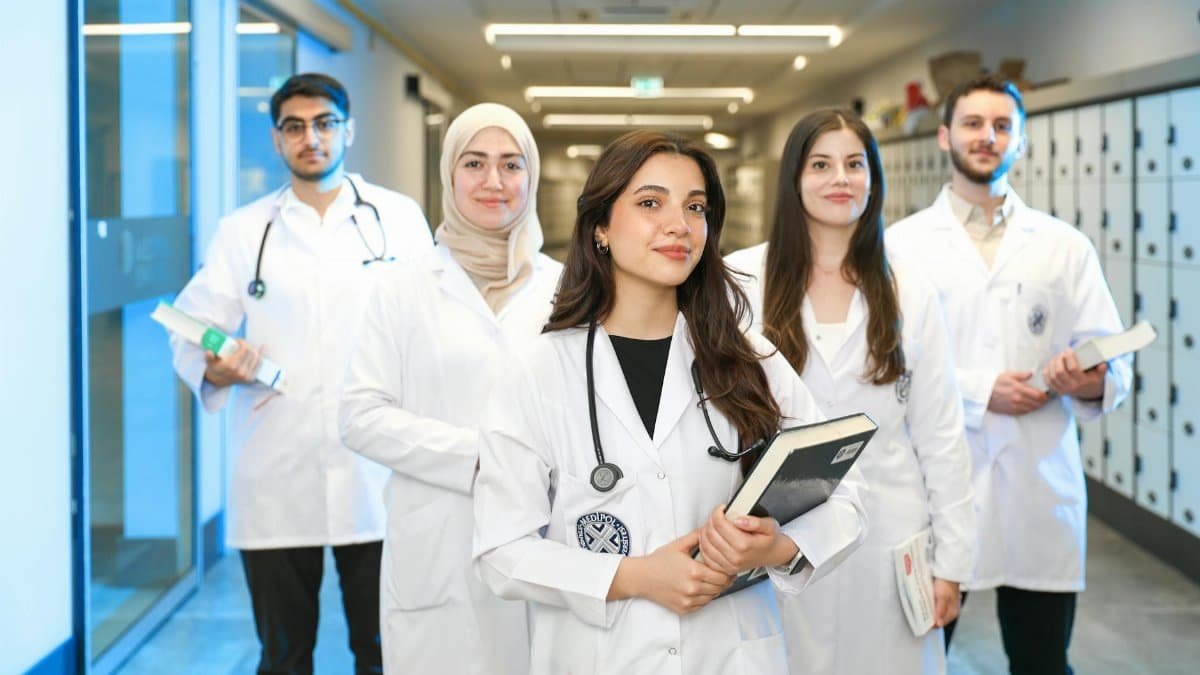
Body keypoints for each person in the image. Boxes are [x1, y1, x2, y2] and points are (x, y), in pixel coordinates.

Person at [471, 130, 868, 675]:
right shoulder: (538, 370)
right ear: (601, 228)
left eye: (696, 207)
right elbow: (501, 548)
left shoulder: (751, 361)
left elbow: (847, 493)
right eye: (651, 203)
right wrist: (635, 576)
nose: (679, 224)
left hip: (730, 654)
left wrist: (772, 549)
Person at [167, 73, 432, 674]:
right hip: (276, 466)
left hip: (380, 473)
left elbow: (433, 328)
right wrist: (222, 366)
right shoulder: (243, 232)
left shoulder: (397, 218)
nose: (310, 137)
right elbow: (192, 329)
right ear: (277, 138)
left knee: (388, 648)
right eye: (295, 126)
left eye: (324, 123)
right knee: (284, 655)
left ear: (348, 130)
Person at [886, 74, 1132, 674]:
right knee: (919, 656)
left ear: (1020, 141)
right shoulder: (901, 245)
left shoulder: (1063, 246)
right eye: (973, 124)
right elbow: (884, 365)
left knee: (1043, 660)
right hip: (940, 486)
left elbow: (1110, 359)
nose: (987, 137)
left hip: (1037, 483)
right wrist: (978, 389)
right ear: (945, 136)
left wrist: (1089, 378)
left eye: (1002, 127)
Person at [726, 108, 976, 675]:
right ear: (794, 179)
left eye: (854, 164)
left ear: (873, 178)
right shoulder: (740, 280)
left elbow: (941, 435)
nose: (840, 178)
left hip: (890, 537)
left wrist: (952, 563)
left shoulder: (909, 287)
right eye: (821, 164)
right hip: (778, 539)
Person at [339, 103, 561, 674]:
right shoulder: (403, 288)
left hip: (550, 537)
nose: (494, 182)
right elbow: (360, 415)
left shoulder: (570, 287)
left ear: (530, 176)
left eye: (511, 164)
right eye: (474, 163)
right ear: (449, 175)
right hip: (438, 539)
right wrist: (485, 457)